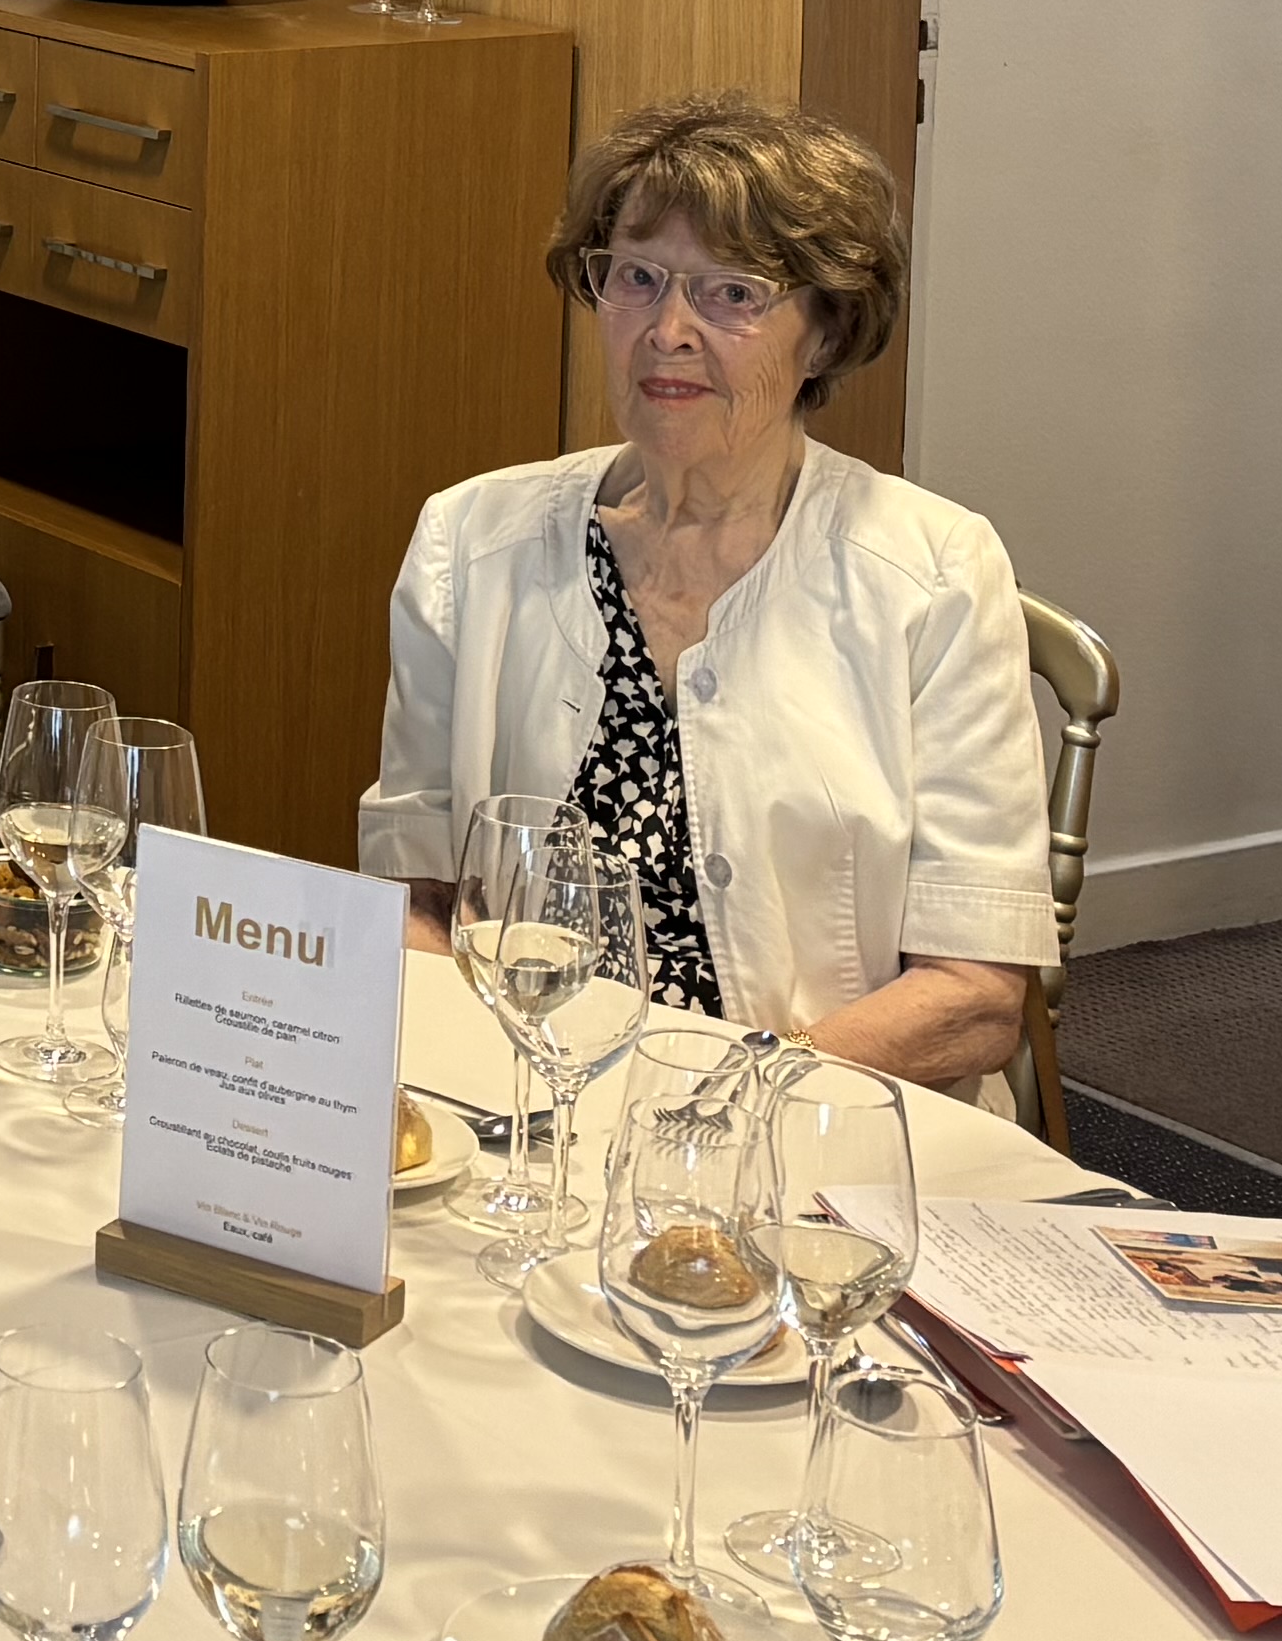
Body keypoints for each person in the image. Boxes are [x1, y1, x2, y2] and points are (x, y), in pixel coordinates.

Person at [356, 88, 1050, 1090]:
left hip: (816, 1120)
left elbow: (974, 997)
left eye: (732, 294)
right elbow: (413, 900)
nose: (668, 329)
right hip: (525, 1101)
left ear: (825, 333)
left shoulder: (937, 572)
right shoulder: (469, 541)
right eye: (637, 278)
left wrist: (722, 1105)